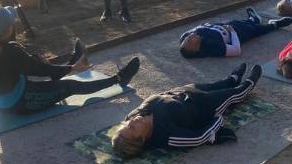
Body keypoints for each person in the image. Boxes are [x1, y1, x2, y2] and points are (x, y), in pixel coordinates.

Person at [0, 6, 140, 114]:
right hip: (17, 103)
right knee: (71, 86)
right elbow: (41, 70)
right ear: (9, 28)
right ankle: (118, 79)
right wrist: (72, 68)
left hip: (0, 99)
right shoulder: (11, 51)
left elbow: (33, 67)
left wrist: (68, 67)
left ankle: (72, 62)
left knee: (36, 62)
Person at [111, 63, 262, 158]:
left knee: (218, 84)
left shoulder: (132, 116)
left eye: (125, 124)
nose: (130, 122)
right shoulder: (166, 136)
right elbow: (199, 137)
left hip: (184, 91)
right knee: (234, 93)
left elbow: (128, 122)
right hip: (204, 106)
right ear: (142, 139)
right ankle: (249, 83)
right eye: (132, 128)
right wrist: (217, 119)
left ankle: (232, 78)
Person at [179, 8, 292, 58]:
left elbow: (189, 34)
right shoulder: (212, 47)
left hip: (220, 26)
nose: (190, 35)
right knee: (254, 30)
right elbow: (236, 50)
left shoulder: (185, 37)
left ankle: (253, 19)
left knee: (238, 22)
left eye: (186, 38)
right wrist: (232, 32)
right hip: (235, 33)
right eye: (190, 39)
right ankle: (274, 25)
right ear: (196, 48)